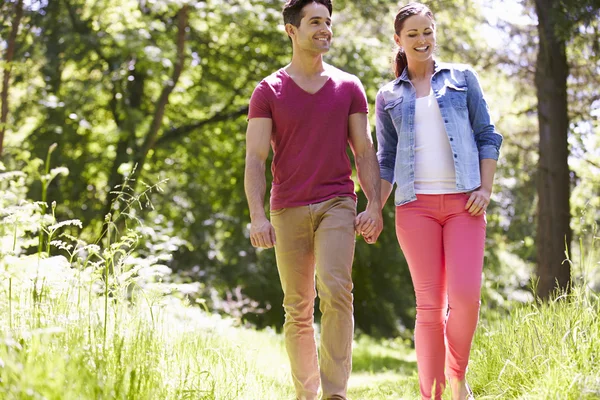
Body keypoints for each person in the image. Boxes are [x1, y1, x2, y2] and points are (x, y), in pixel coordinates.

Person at [244, 1, 383, 399]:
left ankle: (335, 392)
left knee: (337, 290)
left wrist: (373, 205)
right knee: (297, 307)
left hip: (337, 201)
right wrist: (257, 217)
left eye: (328, 22)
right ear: (291, 30)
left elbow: (364, 150)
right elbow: (255, 158)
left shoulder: (348, 86)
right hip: (286, 207)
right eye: (315, 22)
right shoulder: (268, 90)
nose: (325, 29)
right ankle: (307, 393)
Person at [372, 3, 503, 400]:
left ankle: (457, 377)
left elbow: (488, 135)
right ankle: (432, 395)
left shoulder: (461, 78)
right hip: (415, 208)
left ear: (435, 33)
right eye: (412, 34)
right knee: (430, 307)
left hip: (465, 204)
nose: (421, 40)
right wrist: (373, 207)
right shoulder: (388, 95)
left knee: (464, 299)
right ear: (398, 40)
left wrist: (485, 188)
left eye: (427, 31)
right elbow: (385, 159)